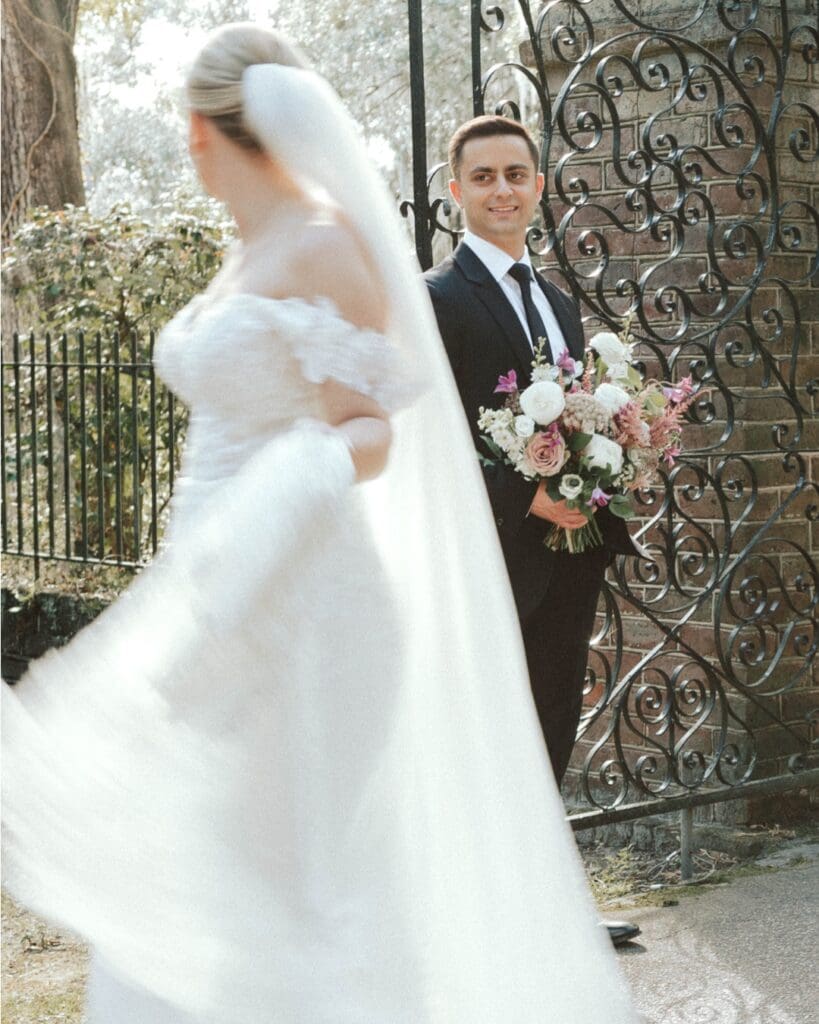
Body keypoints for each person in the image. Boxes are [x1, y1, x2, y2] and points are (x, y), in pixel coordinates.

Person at [2, 26, 638, 1023]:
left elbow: (369, 429)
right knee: (210, 866)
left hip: (303, 595)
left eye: (187, 126)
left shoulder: (328, 246)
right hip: (221, 582)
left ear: (214, 133)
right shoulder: (246, 248)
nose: (183, 146)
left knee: (281, 886)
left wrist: (279, 495)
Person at [424, 115, 642, 945]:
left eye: (516, 174)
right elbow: (430, 441)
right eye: (482, 177)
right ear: (456, 192)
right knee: (482, 733)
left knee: (549, 725)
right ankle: (469, 919)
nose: (502, 190)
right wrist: (523, 501)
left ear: (539, 187)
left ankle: (543, 911)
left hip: (570, 552)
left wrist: (618, 454)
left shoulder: (556, 301)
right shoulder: (435, 300)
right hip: (490, 555)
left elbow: (579, 413)